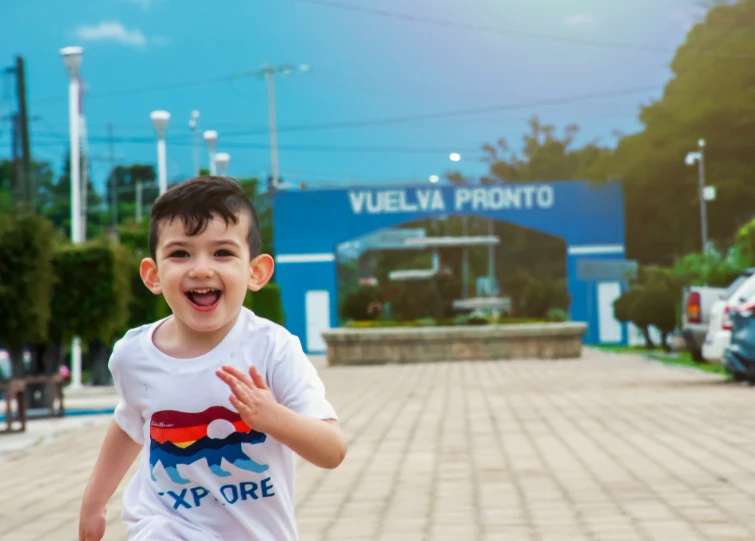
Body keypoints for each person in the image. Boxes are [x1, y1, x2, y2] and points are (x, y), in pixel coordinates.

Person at [78, 176, 346, 541]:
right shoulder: (134, 355)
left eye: (222, 252)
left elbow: (332, 451)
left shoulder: (273, 348)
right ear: (153, 275)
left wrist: (273, 417)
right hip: (163, 525)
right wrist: (94, 503)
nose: (201, 269)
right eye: (180, 253)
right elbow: (129, 425)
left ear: (256, 272)